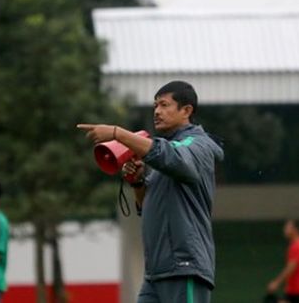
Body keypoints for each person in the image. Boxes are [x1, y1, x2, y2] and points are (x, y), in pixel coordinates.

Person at [78, 80, 225, 303]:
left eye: (164, 105)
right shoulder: (164, 154)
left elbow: (171, 157)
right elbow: (147, 207)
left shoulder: (198, 145)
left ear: (186, 111)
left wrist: (118, 133)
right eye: (155, 105)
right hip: (156, 272)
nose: (157, 111)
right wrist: (138, 184)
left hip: (185, 268)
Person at [265, 220, 299, 303]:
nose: (285, 230)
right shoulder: (295, 245)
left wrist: (276, 283)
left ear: (296, 230)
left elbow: (291, 268)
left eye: (288, 228)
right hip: (292, 292)